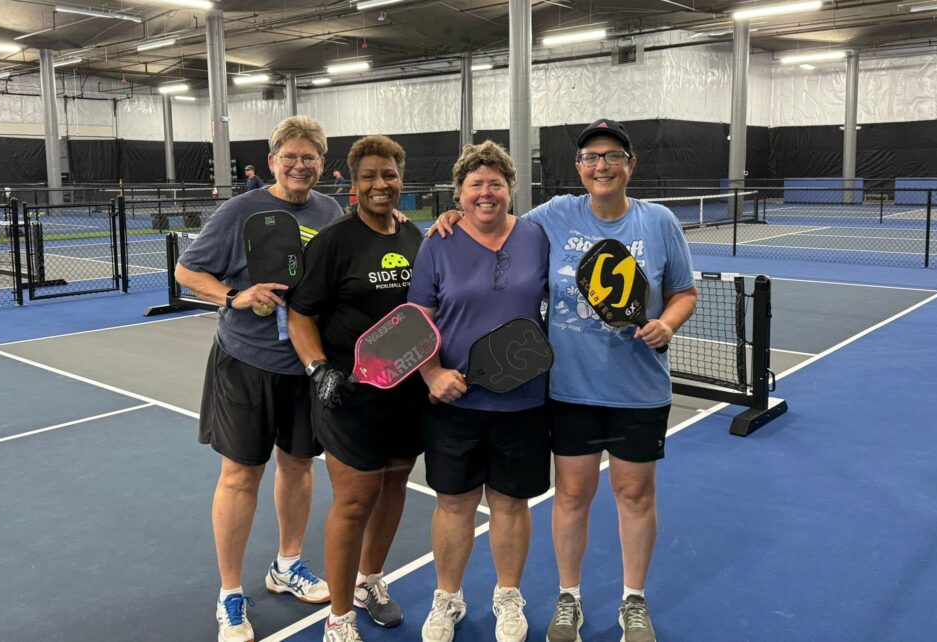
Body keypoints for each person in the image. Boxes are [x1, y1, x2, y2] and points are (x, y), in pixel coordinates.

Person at [430, 119, 697, 642]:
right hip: (569, 387)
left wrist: (668, 322)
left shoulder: (660, 222)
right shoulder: (552, 217)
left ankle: (633, 600)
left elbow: (684, 291)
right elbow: (493, 221)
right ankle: (568, 598)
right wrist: (454, 216)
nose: (602, 165)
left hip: (638, 389)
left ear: (630, 163)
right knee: (572, 497)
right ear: (579, 168)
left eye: (613, 155)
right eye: (592, 157)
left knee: (635, 494)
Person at [176, 115, 341, 642]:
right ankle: (229, 594)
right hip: (246, 363)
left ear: (322, 164)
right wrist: (233, 296)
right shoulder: (239, 210)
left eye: (309, 157)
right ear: (272, 162)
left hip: (304, 365)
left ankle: (286, 564)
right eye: (289, 156)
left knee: (298, 468)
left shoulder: (330, 210)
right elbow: (186, 270)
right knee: (241, 475)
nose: (299, 165)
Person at [408, 141, 551, 642]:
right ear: (459, 193)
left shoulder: (537, 236)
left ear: (511, 189)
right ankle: (447, 599)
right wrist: (430, 376)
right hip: (455, 402)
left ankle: (508, 597)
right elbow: (418, 320)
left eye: (495, 184)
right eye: (475, 185)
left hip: (525, 400)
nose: (486, 193)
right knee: (454, 504)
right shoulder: (437, 243)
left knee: (511, 504)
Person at [287, 134, 425, 642]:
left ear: (400, 178)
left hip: (406, 393)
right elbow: (300, 313)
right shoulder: (333, 243)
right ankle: (339, 617)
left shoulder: (418, 238)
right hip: (347, 393)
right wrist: (318, 369)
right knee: (354, 500)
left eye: (388, 174)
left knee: (394, 487)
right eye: (369, 175)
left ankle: (370, 582)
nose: (380, 184)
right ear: (352, 183)